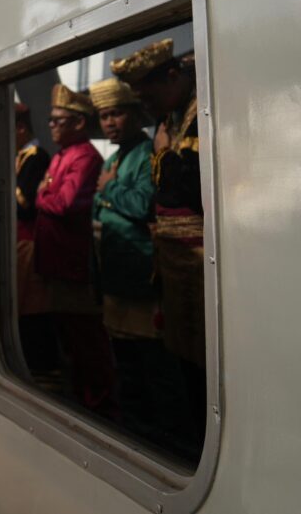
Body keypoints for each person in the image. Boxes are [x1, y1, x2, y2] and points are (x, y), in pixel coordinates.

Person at [112, 38, 206, 452]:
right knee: (182, 360)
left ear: (173, 76)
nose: (148, 108)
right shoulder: (171, 117)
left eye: (149, 97)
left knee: (204, 361)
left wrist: (165, 154)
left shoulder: (201, 114)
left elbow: (190, 188)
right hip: (174, 261)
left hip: (200, 260)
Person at [35, 84, 115, 415]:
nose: (52, 126)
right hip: (56, 259)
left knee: (85, 337)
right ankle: (82, 396)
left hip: (72, 261)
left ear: (79, 123)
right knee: (69, 335)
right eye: (51, 120)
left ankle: (98, 403)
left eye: (59, 120)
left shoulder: (84, 157)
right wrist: (46, 195)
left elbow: (64, 204)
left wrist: (41, 195)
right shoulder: (62, 155)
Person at [13, 103, 56, 379]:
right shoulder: (21, 156)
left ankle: (42, 365)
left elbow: (25, 203)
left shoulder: (36, 157)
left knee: (32, 304)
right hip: (19, 238)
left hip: (29, 240)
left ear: (20, 129)